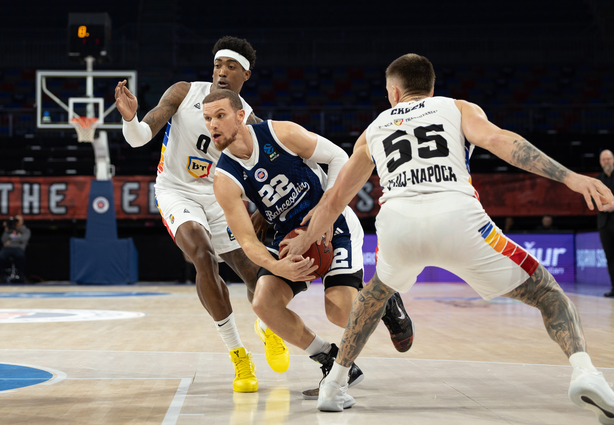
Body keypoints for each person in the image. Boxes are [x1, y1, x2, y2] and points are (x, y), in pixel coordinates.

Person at [294, 54, 614, 419]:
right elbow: (501, 141)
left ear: (394, 92)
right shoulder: (456, 107)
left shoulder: (374, 128)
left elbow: (335, 199)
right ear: (430, 88)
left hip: (398, 224)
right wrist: (571, 177)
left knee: (375, 295)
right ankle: (586, 372)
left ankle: (333, 385)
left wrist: (304, 240)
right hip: (457, 218)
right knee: (546, 292)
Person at [203, 89, 413, 401]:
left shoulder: (280, 132)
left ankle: (385, 303)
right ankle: (329, 359)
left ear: (240, 115)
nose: (212, 125)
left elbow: (340, 157)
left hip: (335, 226)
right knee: (263, 304)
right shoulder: (224, 178)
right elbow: (246, 240)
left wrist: (327, 215)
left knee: (340, 313)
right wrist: (277, 265)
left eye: (219, 116)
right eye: (207, 119)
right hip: (289, 237)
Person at [114, 36, 285, 393]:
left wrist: (264, 214)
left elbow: (265, 173)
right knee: (203, 257)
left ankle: (267, 325)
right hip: (177, 191)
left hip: (220, 196)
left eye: (231, 67)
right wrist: (131, 119)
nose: (222, 72)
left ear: (246, 75)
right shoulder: (183, 92)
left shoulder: (249, 120)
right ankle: (238, 354)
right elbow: (139, 137)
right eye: (218, 65)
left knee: (254, 270)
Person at [597, 149, 614, 297]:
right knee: (610, 258)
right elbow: (590, 200)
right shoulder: (598, 180)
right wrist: (603, 207)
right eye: (603, 160)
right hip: (604, 224)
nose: (606, 162)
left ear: (613, 160)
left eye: (608, 159)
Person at [0, 215, 30, 283]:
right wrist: (6, 229)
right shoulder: (9, 229)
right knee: (0, 256)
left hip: (19, 248)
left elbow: (23, 239)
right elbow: (3, 240)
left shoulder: (26, 230)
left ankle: (21, 274)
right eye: (16, 220)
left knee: (21, 256)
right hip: (7, 248)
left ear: (22, 222)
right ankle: (2, 276)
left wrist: (10, 240)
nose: (17, 222)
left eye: (18, 220)